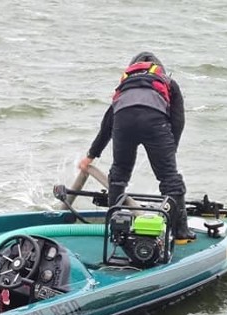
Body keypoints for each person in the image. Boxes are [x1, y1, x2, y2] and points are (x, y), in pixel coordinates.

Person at [79, 51, 196, 242]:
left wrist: (91, 156)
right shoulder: (167, 82)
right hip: (154, 123)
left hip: (123, 121)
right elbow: (178, 120)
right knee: (169, 178)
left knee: (119, 173)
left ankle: (115, 229)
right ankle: (181, 233)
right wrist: (170, 148)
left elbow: (107, 124)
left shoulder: (124, 86)